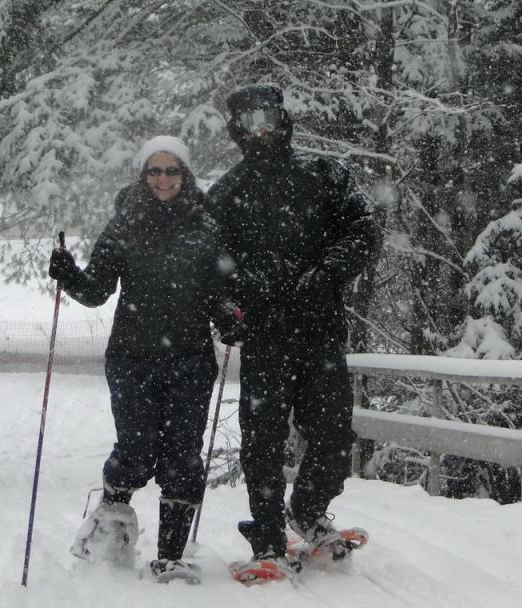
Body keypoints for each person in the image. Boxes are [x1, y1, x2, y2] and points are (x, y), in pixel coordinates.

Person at [208, 84, 380, 576]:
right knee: (262, 443)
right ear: (236, 130)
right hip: (264, 339)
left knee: (333, 435)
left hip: (321, 331)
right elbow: (210, 267)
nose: (260, 130)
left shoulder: (325, 174)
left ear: (283, 120)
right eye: (248, 121)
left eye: (267, 118)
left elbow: (363, 230)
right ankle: (266, 540)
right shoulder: (227, 193)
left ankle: (306, 509)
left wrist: (324, 273)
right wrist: (227, 308)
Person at [48, 135, 226, 583]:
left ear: (184, 175)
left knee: (183, 457)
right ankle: (111, 533)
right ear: (143, 175)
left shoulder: (208, 225)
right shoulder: (125, 225)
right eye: (155, 171)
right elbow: (96, 291)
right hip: (132, 358)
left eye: (171, 171)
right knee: (134, 450)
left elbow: (222, 291)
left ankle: (171, 556)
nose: (163, 179)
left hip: (190, 359)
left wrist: (231, 318)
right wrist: (67, 273)